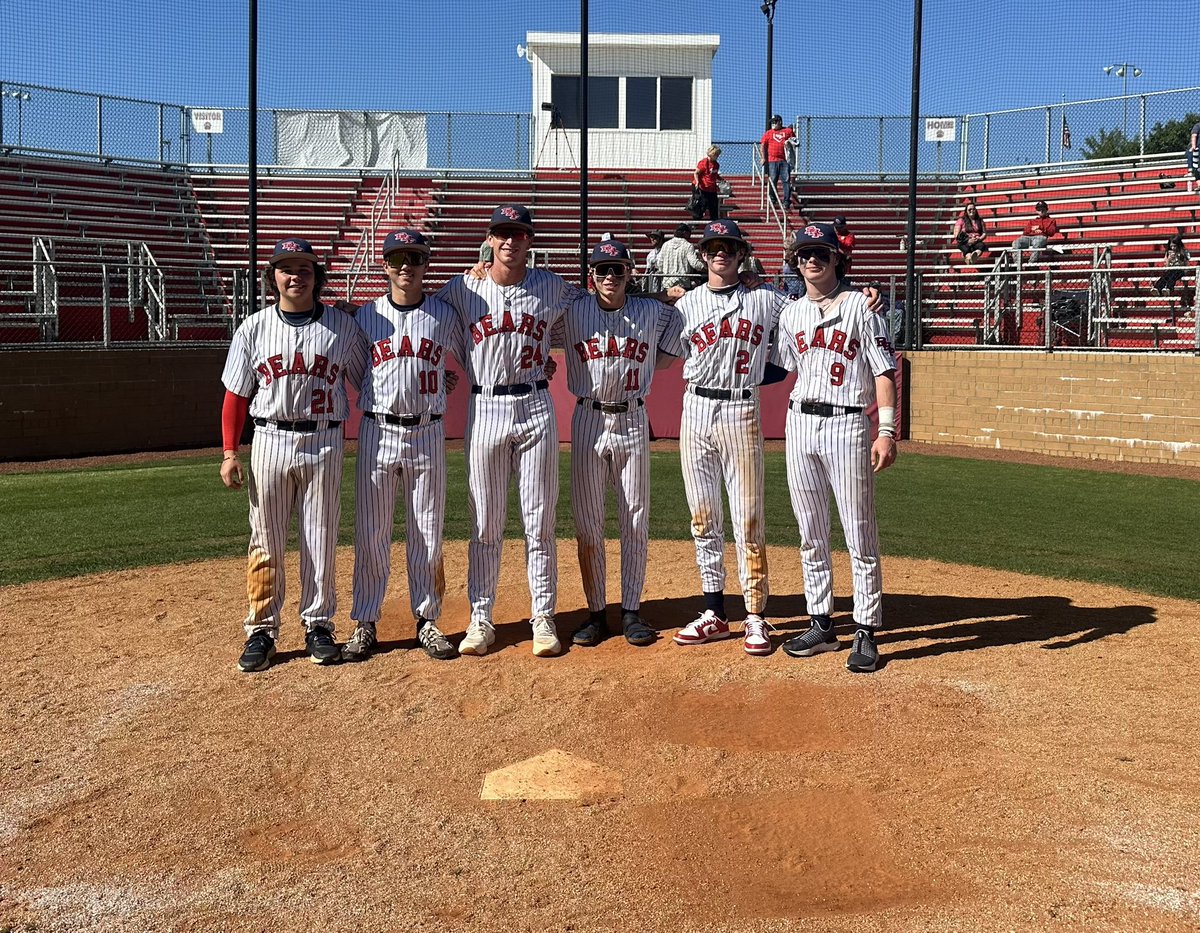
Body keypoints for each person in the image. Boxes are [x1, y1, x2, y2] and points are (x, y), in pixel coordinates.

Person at [219, 237, 369, 673]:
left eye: (304, 269)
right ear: (273, 279)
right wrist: (230, 452)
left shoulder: (342, 328)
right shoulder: (253, 328)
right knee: (265, 537)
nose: (295, 276)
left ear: (316, 278)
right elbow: (235, 396)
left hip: (324, 439)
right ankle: (262, 629)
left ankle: (319, 623)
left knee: (319, 537)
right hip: (269, 438)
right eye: (286, 269)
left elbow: (371, 376)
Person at [436, 204, 577, 658]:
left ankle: (543, 616)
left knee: (539, 521)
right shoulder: (464, 287)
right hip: (487, 405)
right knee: (485, 522)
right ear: (490, 239)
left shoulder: (551, 287)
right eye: (502, 233)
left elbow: (600, 305)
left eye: (518, 233)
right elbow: (421, 309)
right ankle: (481, 617)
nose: (510, 241)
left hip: (536, 403)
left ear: (529, 241)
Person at [770, 223, 898, 674]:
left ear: (837, 258)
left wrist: (886, 430)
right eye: (804, 253)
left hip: (846, 422)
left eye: (821, 252)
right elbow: (780, 368)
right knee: (810, 531)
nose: (811, 260)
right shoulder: (790, 315)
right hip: (800, 421)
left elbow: (884, 370)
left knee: (858, 531)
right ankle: (821, 622)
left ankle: (865, 627)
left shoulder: (863, 308)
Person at [552, 238, 685, 648]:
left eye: (618, 269)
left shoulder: (650, 311)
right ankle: (595, 613)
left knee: (635, 518)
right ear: (591, 276)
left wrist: (655, 359)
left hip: (632, 416)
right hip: (589, 416)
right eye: (602, 270)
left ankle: (631, 610)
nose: (610, 276)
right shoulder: (574, 310)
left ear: (630, 273)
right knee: (588, 522)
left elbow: (678, 331)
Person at [342, 229, 463, 664]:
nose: (405, 266)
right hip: (378, 429)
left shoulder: (443, 315)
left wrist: (436, 383)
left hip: (428, 430)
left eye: (413, 258)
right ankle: (365, 621)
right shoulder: (366, 316)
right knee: (372, 531)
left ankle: (428, 619)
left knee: (426, 530)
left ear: (425, 263)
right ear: (385, 265)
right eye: (396, 259)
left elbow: (470, 354)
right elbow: (358, 374)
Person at [670, 219, 790, 657]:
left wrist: (860, 291)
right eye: (713, 246)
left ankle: (756, 615)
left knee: (748, 516)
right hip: (696, 407)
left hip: (741, 407)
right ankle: (714, 612)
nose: (721, 252)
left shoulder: (765, 299)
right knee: (702, 518)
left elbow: (812, 306)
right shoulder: (685, 306)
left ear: (742, 254)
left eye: (729, 246)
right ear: (702, 255)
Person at [760, 115, 796, 211]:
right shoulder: (768, 133)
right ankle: (772, 198)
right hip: (772, 160)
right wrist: (763, 158)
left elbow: (795, 142)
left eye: (775, 121)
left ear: (780, 121)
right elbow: (763, 145)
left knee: (786, 180)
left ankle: (786, 201)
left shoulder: (788, 131)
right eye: (772, 122)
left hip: (785, 160)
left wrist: (789, 142)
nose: (773, 124)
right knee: (773, 179)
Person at [657, 223, 705, 290]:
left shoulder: (666, 245)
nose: (690, 235)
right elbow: (694, 263)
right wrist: (705, 268)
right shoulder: (688, 245)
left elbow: (659, 263)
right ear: (685, 232)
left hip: (667, 283)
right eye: (689, 232)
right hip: (682, 283)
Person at [1152, 232, 1191, 296]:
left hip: (1181, 270)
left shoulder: (1184, 252)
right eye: (1171, 246)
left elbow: (1185, 264)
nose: (1173, 248)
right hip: (1171, 269)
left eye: (1174, 246)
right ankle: (1157, 288)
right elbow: (1167, 266)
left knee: (1173, 275)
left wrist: (1178, 257)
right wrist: (1169, 259)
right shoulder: (1168, 253)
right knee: (1165, 275)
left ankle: (1169, 289)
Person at [693, 146, 724, 222]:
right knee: (702, 204)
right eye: (716, 155)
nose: (717, 156)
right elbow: (696, 173)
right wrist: (697, 182)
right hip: (703, 187)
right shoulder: (704, 163)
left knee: (714, 205)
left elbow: (714, 174)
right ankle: (696, 221)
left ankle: (714, 220)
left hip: (712, 188)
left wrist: (721, 179)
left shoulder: (716, 164)